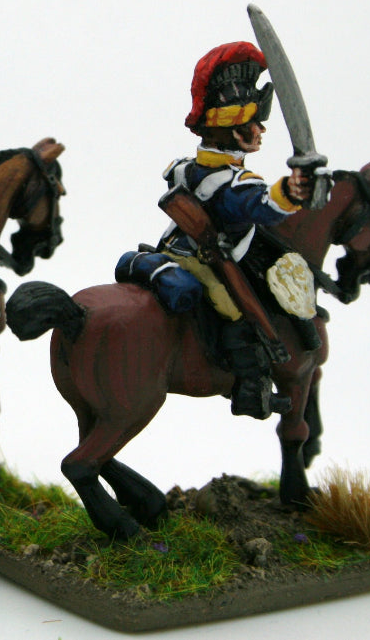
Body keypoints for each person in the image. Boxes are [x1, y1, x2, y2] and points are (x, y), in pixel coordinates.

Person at [130, 41, 314, 419]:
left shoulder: (187, 167)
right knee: (238, 313)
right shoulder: (233, 182)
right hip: (206, 258)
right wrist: (292, 191)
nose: (260, 129)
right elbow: (261, 207)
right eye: (253, 123)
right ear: (233, 131)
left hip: (175, 246)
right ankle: (251, 393)